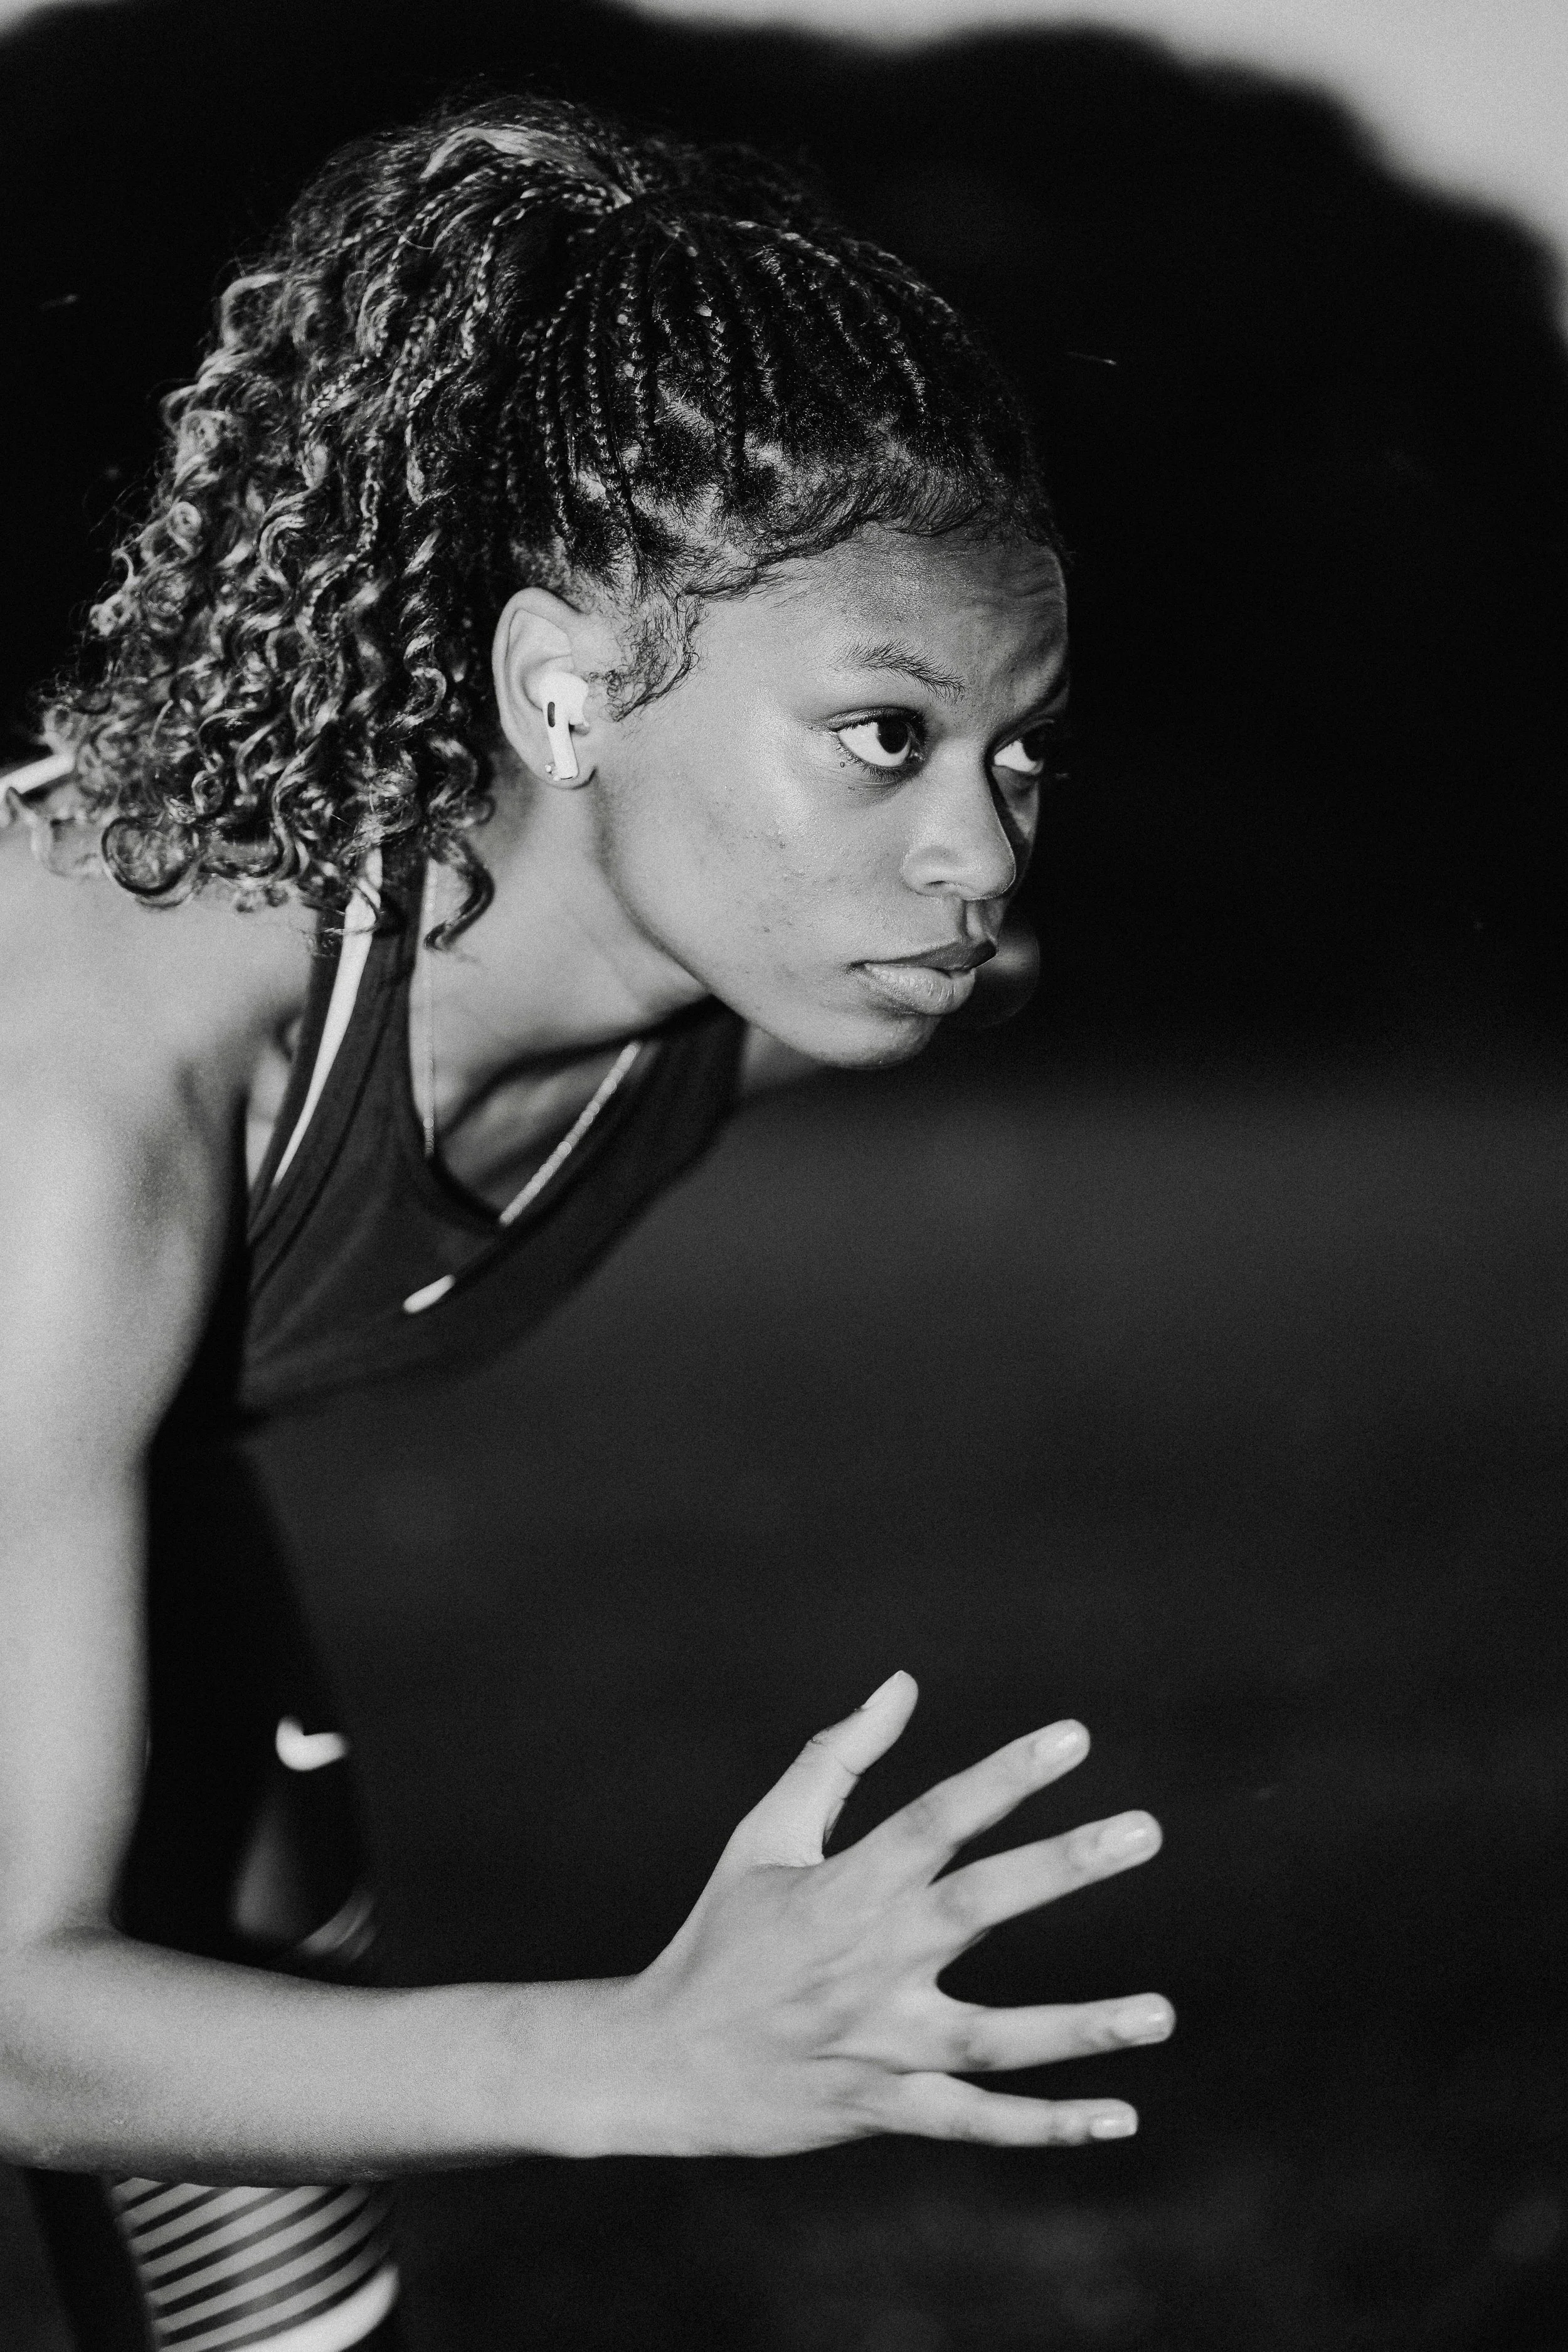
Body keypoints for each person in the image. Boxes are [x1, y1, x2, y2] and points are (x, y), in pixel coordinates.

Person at [0, 93, 1172, 2352]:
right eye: (882, 736)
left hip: (104, 1495)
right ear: (563, 690)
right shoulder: (84, 1106)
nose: (980, 854)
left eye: (1017, 748)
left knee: (275, 2283)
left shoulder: (761, 966)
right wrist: (643, 2053)